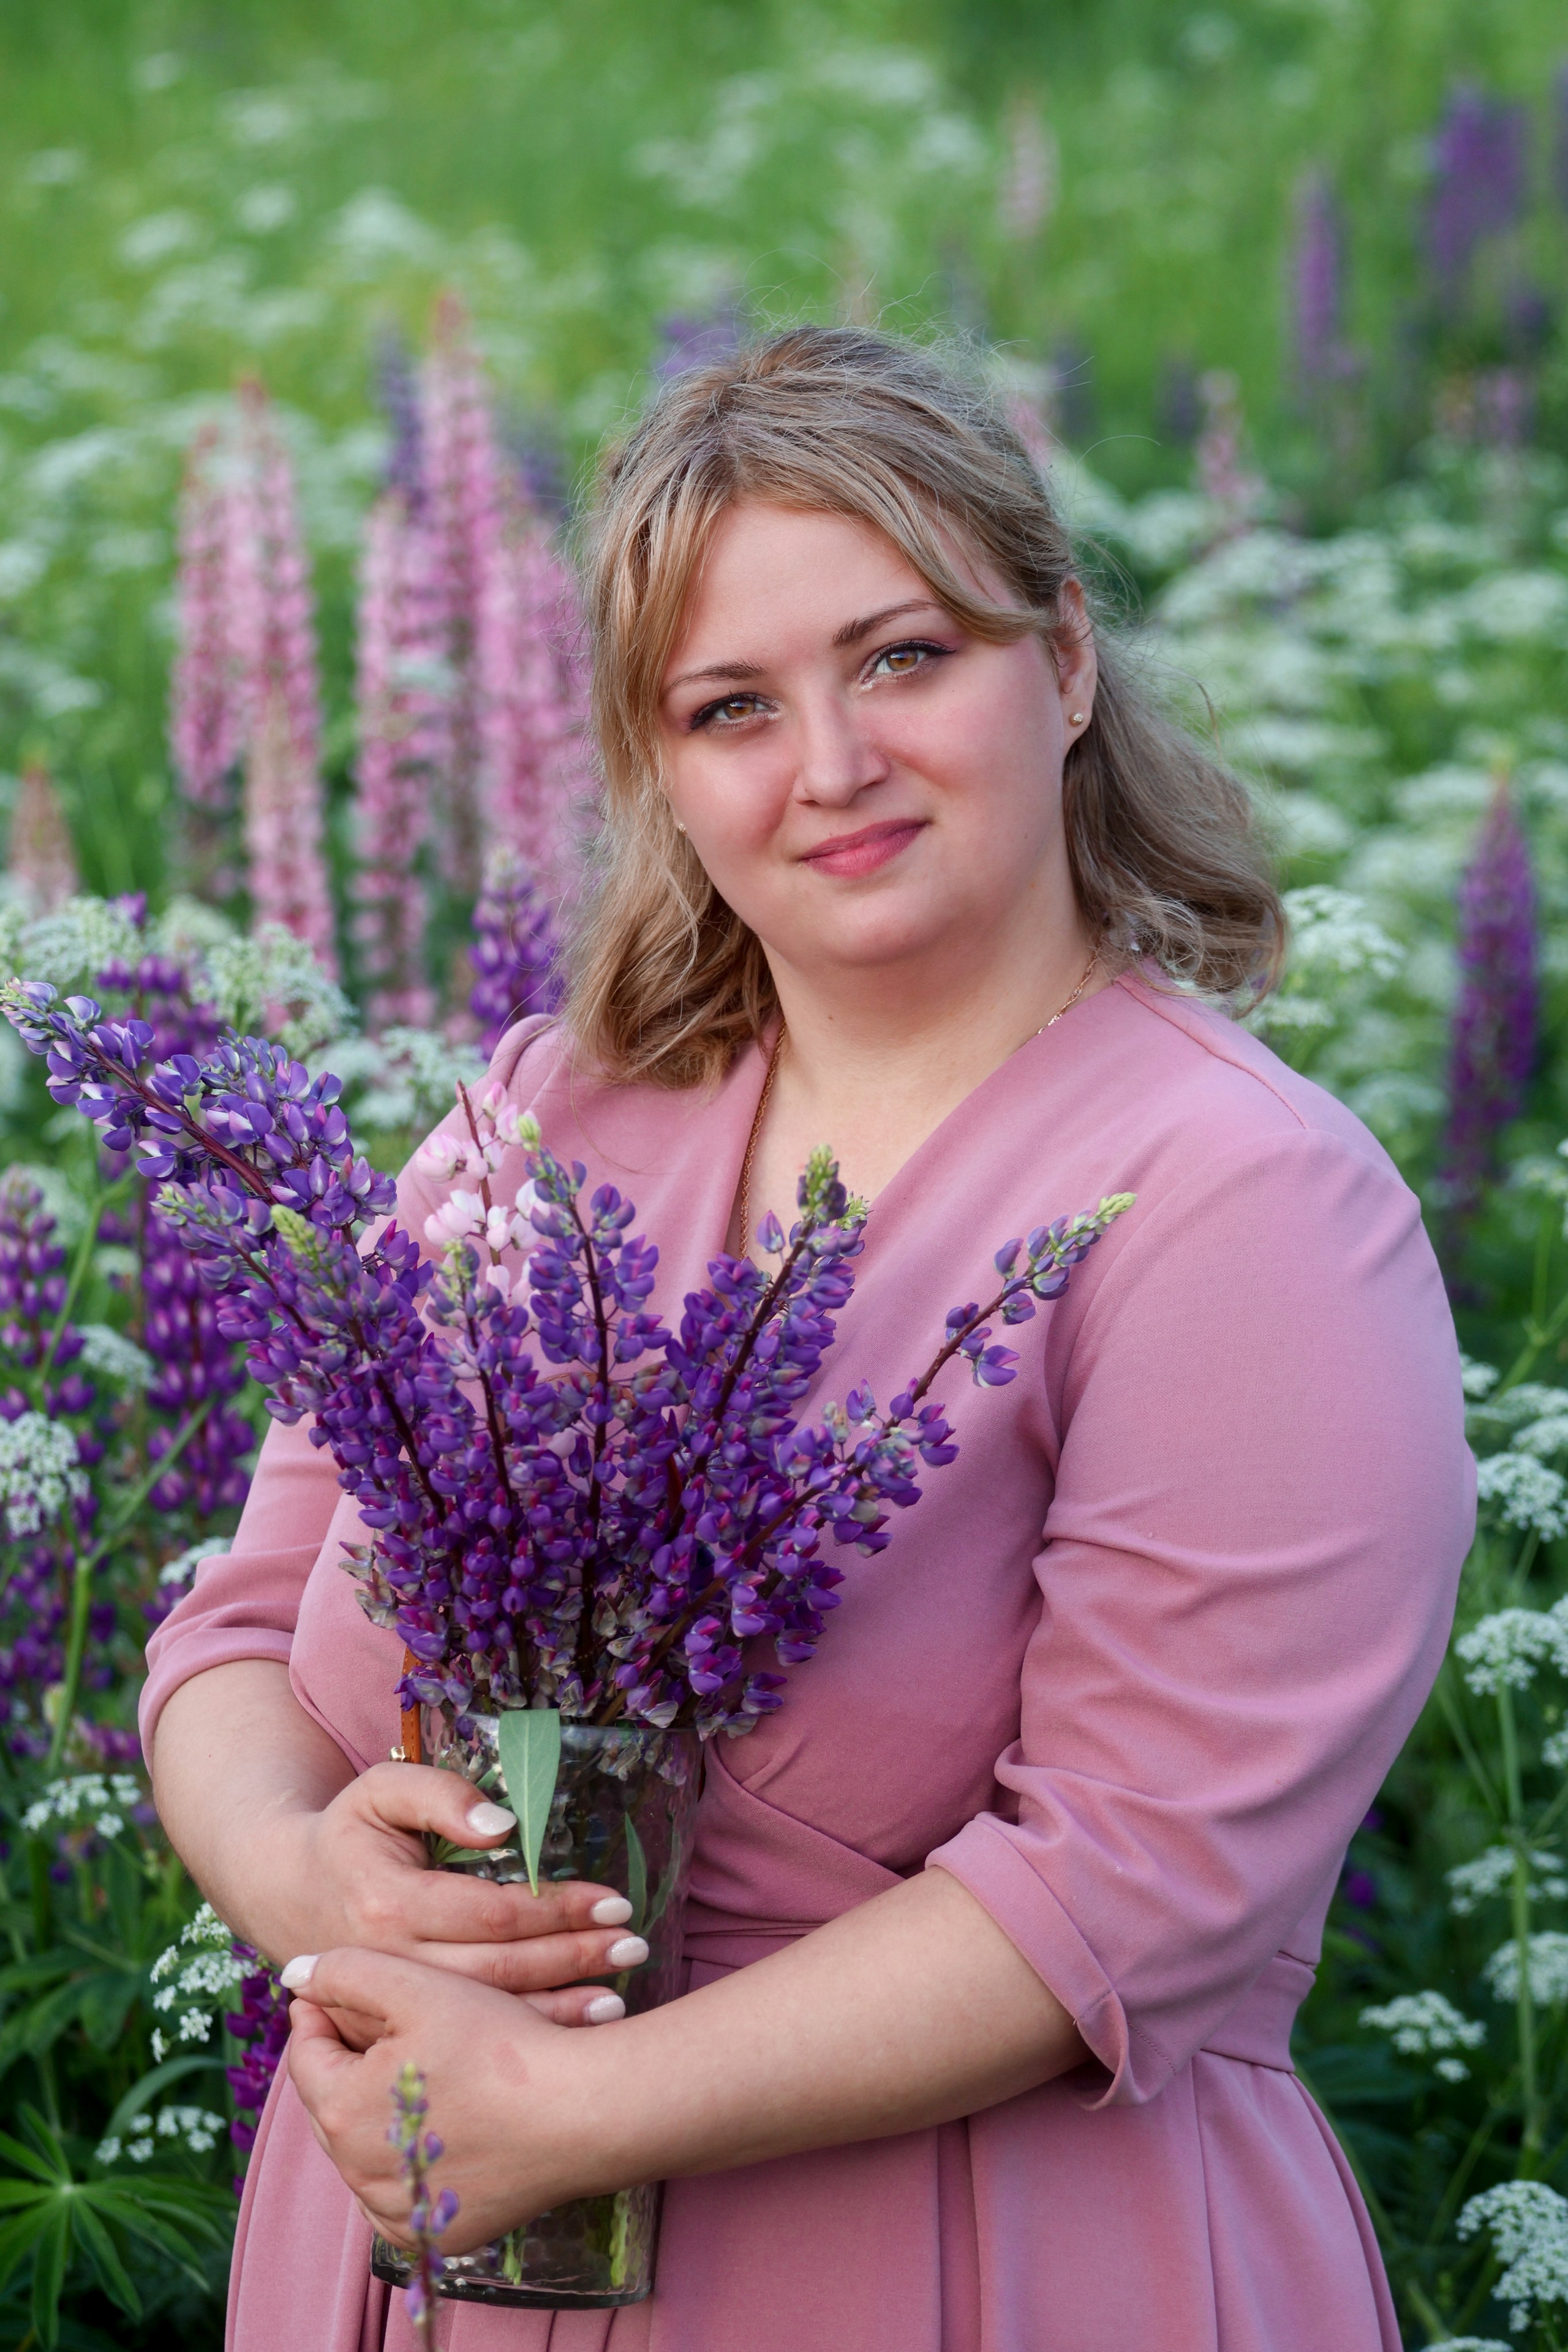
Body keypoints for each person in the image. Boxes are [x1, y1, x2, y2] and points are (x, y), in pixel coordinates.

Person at [145, 326, 1472, 2352]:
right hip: (411, 2237)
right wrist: (315, 1885)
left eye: (904, 658)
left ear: (1070, 660)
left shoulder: (1246, 1205)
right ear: (658, 765)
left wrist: (574, 2106)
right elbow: (237, 1640)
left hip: (966, 2270)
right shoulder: (540, 1119)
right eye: (733, 705)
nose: (832, 766)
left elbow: (1130, 1885)